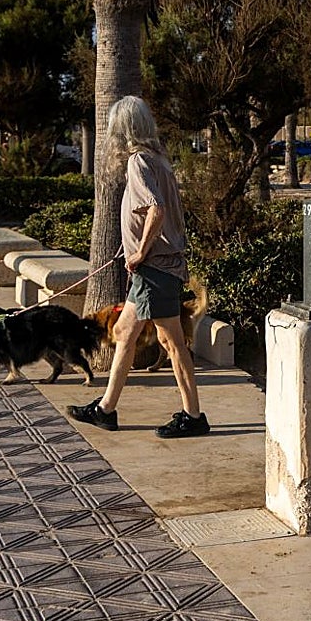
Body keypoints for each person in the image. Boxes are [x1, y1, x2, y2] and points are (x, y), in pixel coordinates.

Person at [67, 95, 210, 439]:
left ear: (123, 130)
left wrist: (138, 253)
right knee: (124, 334)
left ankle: (193, 416)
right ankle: (105, 410)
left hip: (155, 268)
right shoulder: (159, 160)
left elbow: (156, 209)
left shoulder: (139, 162)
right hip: (155, 269)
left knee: (171, 342)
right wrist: (130, 246)